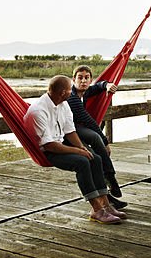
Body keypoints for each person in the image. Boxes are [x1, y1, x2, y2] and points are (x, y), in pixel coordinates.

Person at [23, 75, 125, 224]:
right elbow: (49, 145)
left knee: (95, 158)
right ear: (63, 92)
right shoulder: (38, 111)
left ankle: (106, 205)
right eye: (70, 90)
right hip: (48, 151)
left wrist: (82, 147)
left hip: (60, 143)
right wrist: (78, 151)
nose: (72, 93)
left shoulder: (63, 104)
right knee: (82, 162)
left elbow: (70, 131)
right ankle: (96, 210)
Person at [67, 64, 126, 208]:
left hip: (77, 128)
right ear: (73, 79)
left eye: (87, 78)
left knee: (95, 139)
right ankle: (107, 190)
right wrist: (106, 142)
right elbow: (87, 120)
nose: (83, 81)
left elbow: (98, 86)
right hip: (65, 132)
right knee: (94, 157)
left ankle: (110, 180)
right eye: (80, 78)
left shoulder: (85, 92)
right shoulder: (72, 97)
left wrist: (106, 85)